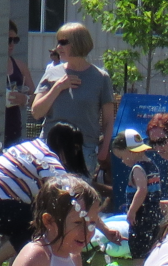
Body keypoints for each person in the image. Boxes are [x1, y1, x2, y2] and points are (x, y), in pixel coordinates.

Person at [0, 122, 119, 266]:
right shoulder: (50, 161)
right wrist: (105, 229)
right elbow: (78, 205)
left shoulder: (33, 146)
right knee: (41, 224)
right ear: (67, 147)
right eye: (76, 150)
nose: (76, 155)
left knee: (28, 224)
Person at [32, 23, 115, 179]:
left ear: (78, 42)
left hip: (84, 150)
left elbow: (109, 120)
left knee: (78, 199)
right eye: (57, 42)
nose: (58, 47)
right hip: (51, 148)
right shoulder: (52, 73)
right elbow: (36, 112)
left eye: (63, 42)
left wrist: (103, 151)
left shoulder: (101, 77)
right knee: (50, 198)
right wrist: (58, 87)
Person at [112, 129, 167, 259]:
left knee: (139, 250)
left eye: (122, 157)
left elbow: (142, 190)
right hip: (154, 215)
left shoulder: (137, 168)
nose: (122, 161)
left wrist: (132, 211)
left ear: (130, 151)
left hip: (141, 217)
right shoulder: (152, 165)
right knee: (152, 248)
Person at [6, 21, 33, 144]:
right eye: (8, 40)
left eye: (15, 40)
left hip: (13, 131)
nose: (11, 44)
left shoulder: (20, 66)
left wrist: (25, 99)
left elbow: (36, 97)